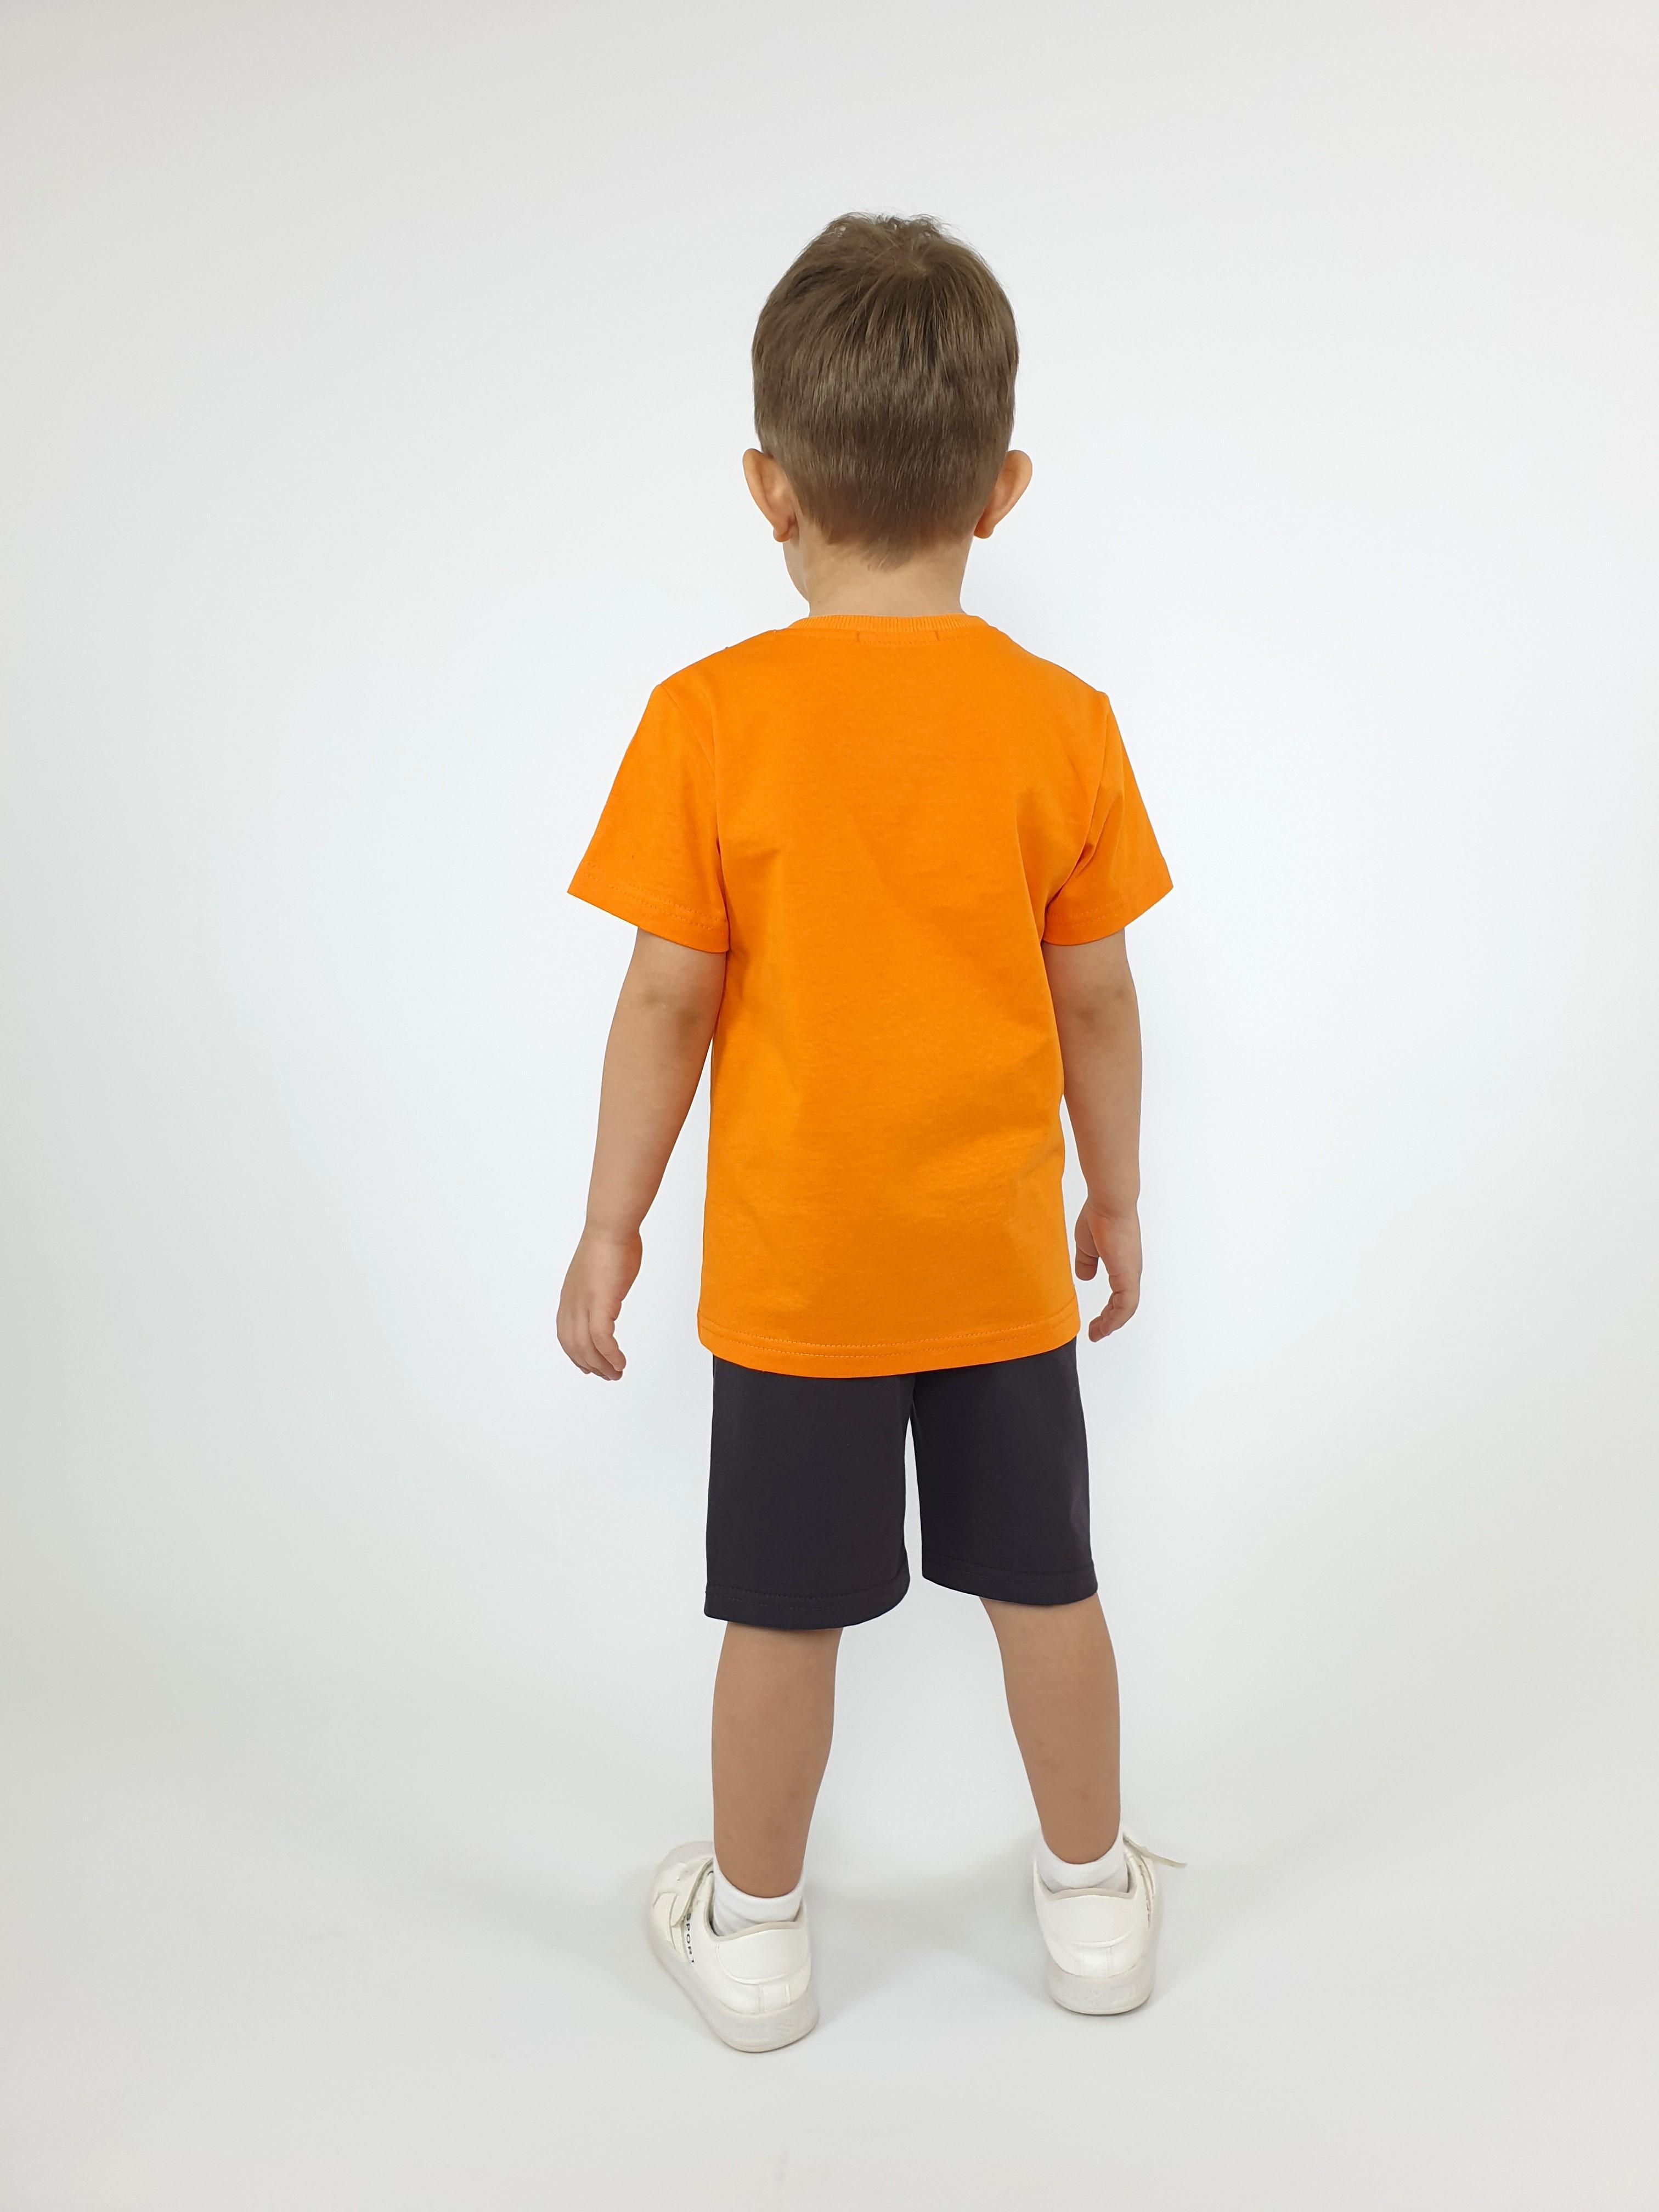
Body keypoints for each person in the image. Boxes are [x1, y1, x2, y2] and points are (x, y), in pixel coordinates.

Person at [558, 213, 1175, 2051]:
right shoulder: (1063, 725)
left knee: (781, 1614)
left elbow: (665, 1003)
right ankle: (1093, 1907)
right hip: (995, 1270)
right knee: (1048, 1584)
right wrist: (1116, 1192)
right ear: (1001, 488)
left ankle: (755, 1935)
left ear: (770, 487)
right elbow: (1099, 1002)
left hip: (800, 1277)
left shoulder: (710, 721)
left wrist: (612, 1222)